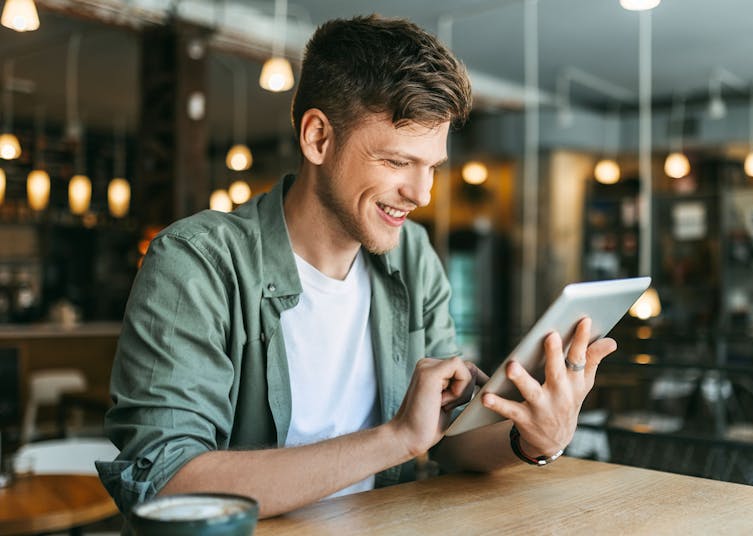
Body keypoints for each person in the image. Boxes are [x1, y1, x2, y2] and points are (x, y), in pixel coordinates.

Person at [96, 14, 617, 519]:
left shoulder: (414, 257)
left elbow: (449, 439)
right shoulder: (196, 262)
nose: (421, 194)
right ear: (318, 138)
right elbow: (166, 481)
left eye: (432, 167)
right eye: (396, 162)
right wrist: (395, 439)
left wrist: (532, 438)